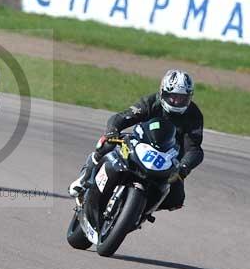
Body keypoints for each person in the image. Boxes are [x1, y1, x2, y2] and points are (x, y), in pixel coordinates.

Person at [68, 69, 204, 212]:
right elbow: (123, 116)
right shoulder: (152, 102)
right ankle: (84, 179)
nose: (177, 102)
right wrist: (113, 130)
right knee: (107, 143)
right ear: (163, 92)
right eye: (173, 96)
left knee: (176, 200)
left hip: (167, 158)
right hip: (140, 145)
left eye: (182, 98)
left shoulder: (194, 115)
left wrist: (184, 167)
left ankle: (141, 211)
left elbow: (194, 148)